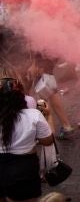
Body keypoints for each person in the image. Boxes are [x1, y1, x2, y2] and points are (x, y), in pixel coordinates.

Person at [0, 70, 54, 202]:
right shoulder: (33, 115)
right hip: (24, 168)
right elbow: (48, 140)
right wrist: (49, 116)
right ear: (21, 96)